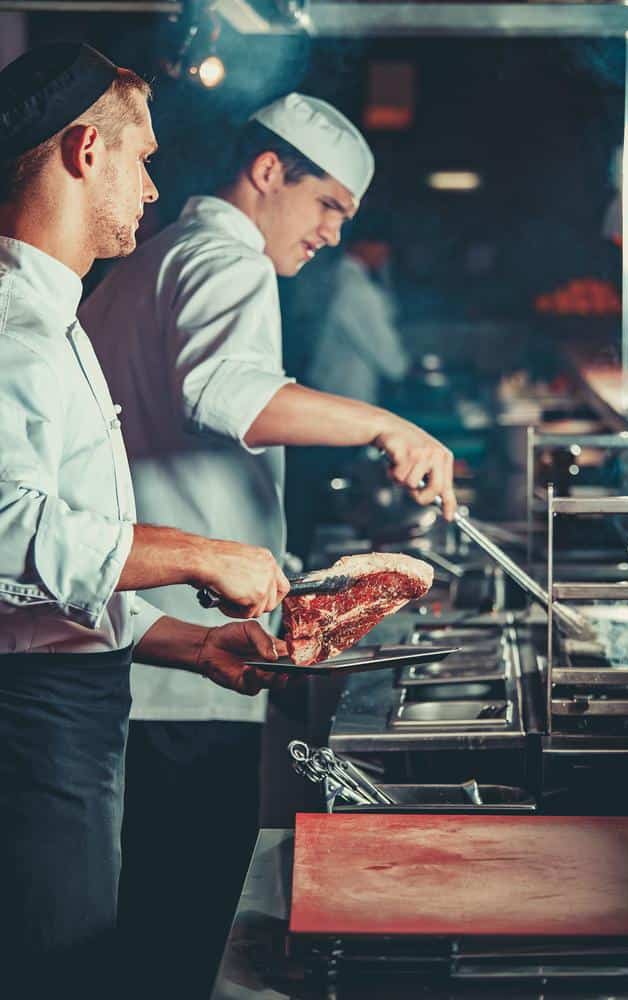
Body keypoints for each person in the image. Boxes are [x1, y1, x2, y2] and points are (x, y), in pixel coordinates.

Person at [81, 92, 457, 999]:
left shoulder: (161, 256)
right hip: (180, 671)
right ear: (265, 172)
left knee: (140, 935)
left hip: (136, 648)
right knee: (176, 939)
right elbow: (224, 391)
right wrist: (386, 426)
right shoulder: (224, 257)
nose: (331, 232)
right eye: (326, 203)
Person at [0, 41, 289, 999]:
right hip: (31, 726)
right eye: (144, 158)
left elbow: (48, 593)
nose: (154, 189)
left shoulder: (59, 316)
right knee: (56, 977)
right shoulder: (11, 324)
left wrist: (190, 647)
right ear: (87, 152)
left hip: (72, 707)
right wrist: (199, 553)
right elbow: (10, 535)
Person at [307, 213, 409, 405]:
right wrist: (406, 369)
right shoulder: (358, 291)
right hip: (347, 394)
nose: (385, 255)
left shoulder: (332, 277)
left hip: (325, 387)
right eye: (382, 247)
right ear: (362, 245)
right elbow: (391, 359)